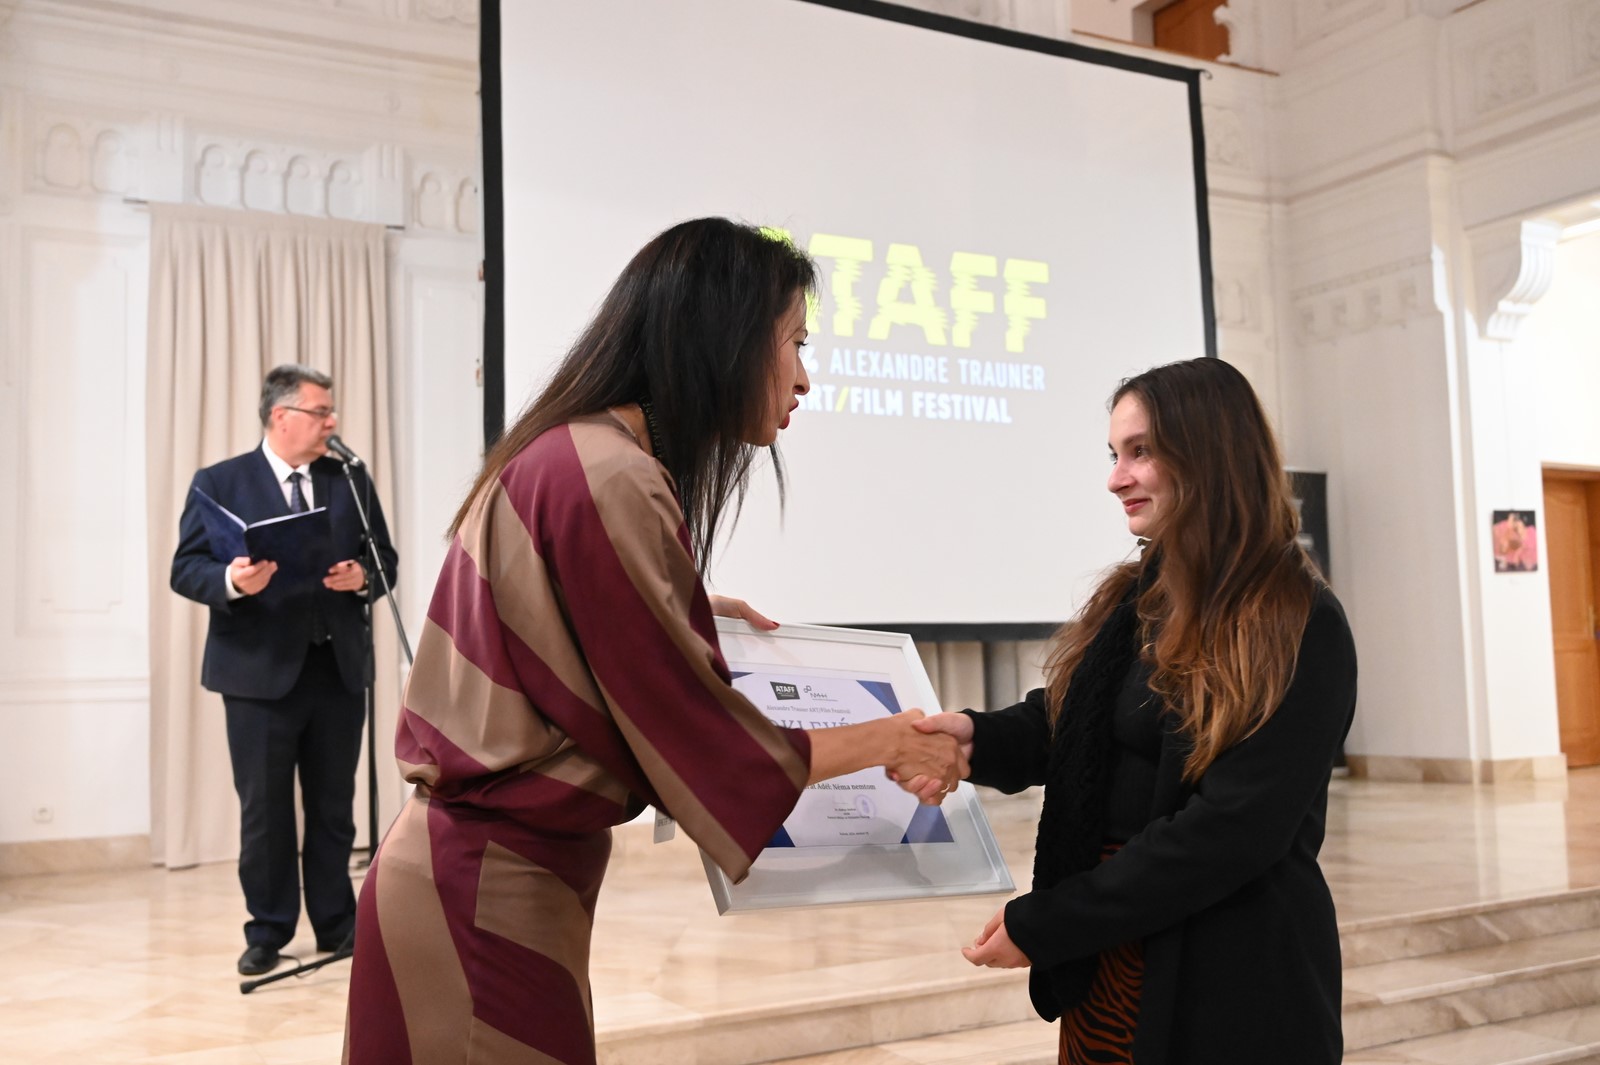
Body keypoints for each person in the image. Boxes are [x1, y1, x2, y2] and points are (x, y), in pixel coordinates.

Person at [342, 218, 964, 1065]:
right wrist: (890, 738)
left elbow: (562, 632)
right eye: (795, 344)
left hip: (486, 878)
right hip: (484, 890)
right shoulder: (612, 474)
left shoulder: (578, 453)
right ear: (725, 338)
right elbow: (708, 742)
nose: (804, 378)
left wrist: (674, 605)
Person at [904, 357, 1358, 1064]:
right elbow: (1075, 720)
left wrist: (1052, 920)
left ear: (1209, 452)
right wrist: (974, 739)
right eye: (1114, 454)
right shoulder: (1138, 596)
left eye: (1140, 451)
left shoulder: (1296, 619)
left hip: (1226, 974)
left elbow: (1229, 833)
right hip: (1112, 952)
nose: (1116, 478)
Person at [170, 364, 399, 977]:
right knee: (266, 812)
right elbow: (186, 568)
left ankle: (338, 925)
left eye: (331, 412)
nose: (332, 423)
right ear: (281, 417)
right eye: (321, 412)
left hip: (338, 670)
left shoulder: (349, 478)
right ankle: (268, 930)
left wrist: (363, 578)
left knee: (333, 807)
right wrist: (232, 581)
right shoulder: (221, 482)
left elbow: (384, 558)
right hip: (257, 676)